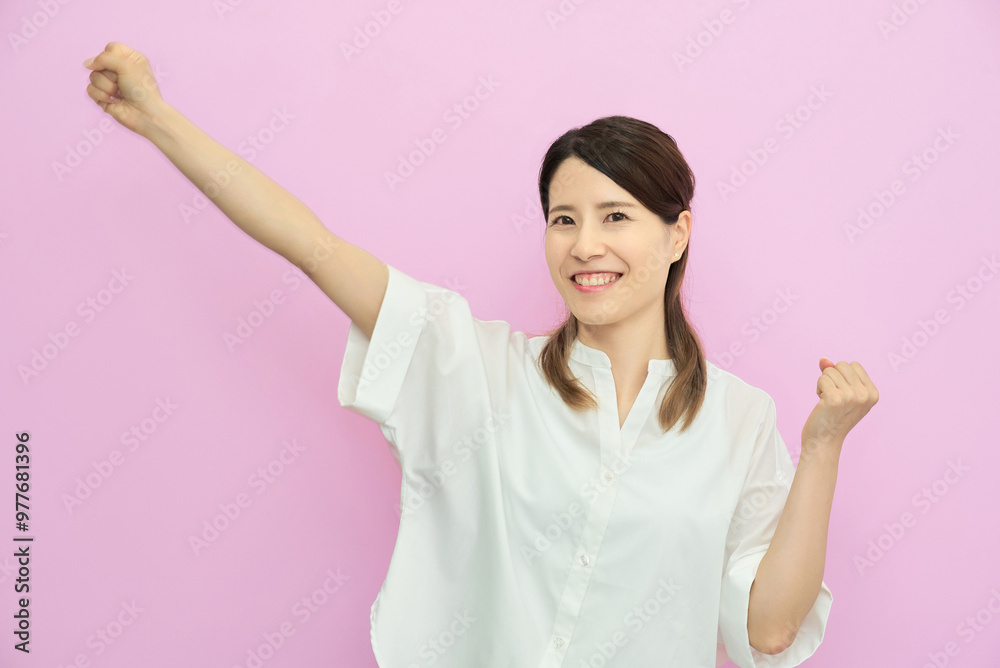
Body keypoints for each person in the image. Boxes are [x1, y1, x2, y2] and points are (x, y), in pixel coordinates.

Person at [83, 41, 879, 667]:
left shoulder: (739, 419)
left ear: (678, 235)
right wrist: (157, 117)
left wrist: (822, 448)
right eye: (563, 219)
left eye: (615, 216)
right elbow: (314, 247)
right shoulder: (477, 368)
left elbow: (768, 630)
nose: (585, 245)